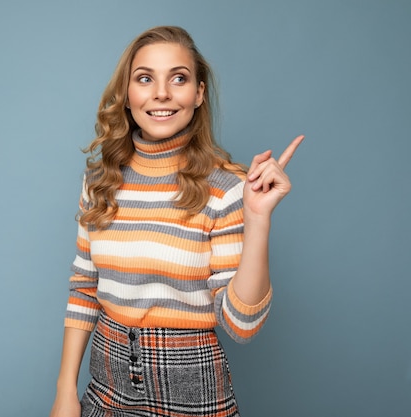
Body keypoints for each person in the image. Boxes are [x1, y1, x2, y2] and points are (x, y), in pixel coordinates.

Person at [49, 25, 304, 417]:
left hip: (192, 393)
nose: (161, 93)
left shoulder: (226, 187)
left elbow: (242, 326)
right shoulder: (100, 182)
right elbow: (85, 289)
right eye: (145, 78)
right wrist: (66, 391)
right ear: (127, 95)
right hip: (105, 387)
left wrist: (257, 218)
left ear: (198, 94)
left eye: (179, 79)